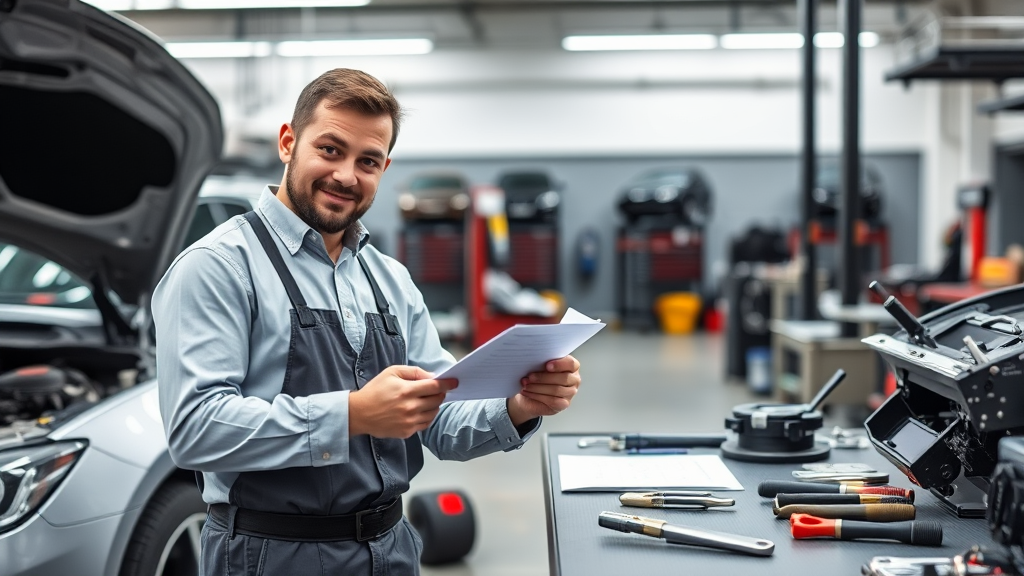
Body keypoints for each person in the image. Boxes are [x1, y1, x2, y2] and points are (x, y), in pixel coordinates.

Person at [151, 68, 582, 575]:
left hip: (391, 550)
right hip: (270, 554)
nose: (347, 176)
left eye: (368, 161)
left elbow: (440, 416)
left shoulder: (389, 279)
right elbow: (196, 428)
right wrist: (352, 415)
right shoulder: (219, 266)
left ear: (385, 167)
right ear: (289, 142)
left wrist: (518, 406)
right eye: (330, 150)